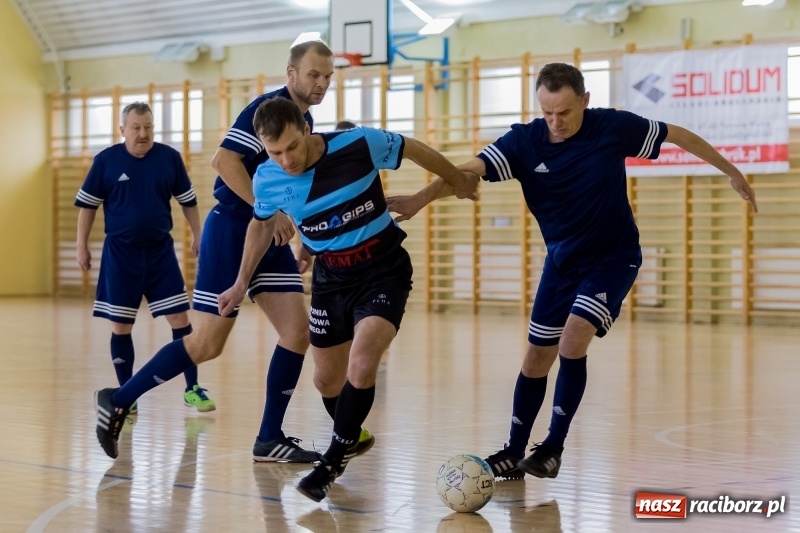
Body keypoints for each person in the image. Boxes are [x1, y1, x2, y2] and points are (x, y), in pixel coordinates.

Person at [386, 62, 758, 481]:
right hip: (562, 262)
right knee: (535, 359)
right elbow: (466, 170)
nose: (555, 123)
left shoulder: (612, 128)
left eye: (564, 112)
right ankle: (513, 451)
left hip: (614, 258)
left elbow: (679, 135)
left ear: (584, 101)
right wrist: (421, 198)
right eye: (546, 113)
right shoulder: (525, 141)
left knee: (574, 337)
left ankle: (553, 447)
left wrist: (731, 170)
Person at [93, 40, 365, 463]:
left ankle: (268, 438)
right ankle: (119, 398)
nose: (322, 83)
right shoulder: (265, 108)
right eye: (314, 74)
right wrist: (267, 211)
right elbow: (224, 161)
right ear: (291, 73)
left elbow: (287, 185)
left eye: (328, 76)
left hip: (268, 234)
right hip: (232, 229)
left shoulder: (303, 118)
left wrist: (301, 235)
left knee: (298, 333)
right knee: (206, 344)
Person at [217, 96, 478, 502]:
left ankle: (333, 459)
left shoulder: (358, 144)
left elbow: (413, 147)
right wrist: (238, 283)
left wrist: (455, 181)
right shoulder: (267, 178)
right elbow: (260, 226)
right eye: (274, 152)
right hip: (330, 279)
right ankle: (350, 436)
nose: (286, 159)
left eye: (292, 147)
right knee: (326, 379)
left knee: (362, 359)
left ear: (307, 130)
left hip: (382, 270)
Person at [76, 102, 213, 415]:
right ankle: (127, 395)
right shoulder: (106, 161)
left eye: (148, 127)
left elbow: (188, 201)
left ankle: (192, 388)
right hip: (120, 256)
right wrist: (81, 245)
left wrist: (199, 234)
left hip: (160, 254)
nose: (143, 133)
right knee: (121, 325)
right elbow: (88, 207)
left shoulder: (169, 158)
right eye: (136, 127)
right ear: (122, 129)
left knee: (180, 320)